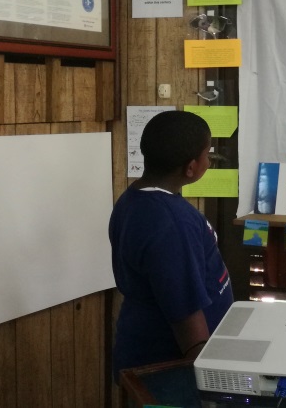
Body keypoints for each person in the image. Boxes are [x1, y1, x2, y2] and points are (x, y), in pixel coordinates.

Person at [109, 110, 234, 379]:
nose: (208, 162)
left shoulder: (133, 199)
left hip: (148, 352)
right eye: (206, 155)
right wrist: (207, 380)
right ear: (191, 168)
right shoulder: (172, 222)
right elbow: (185, 313)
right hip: (169, 366)